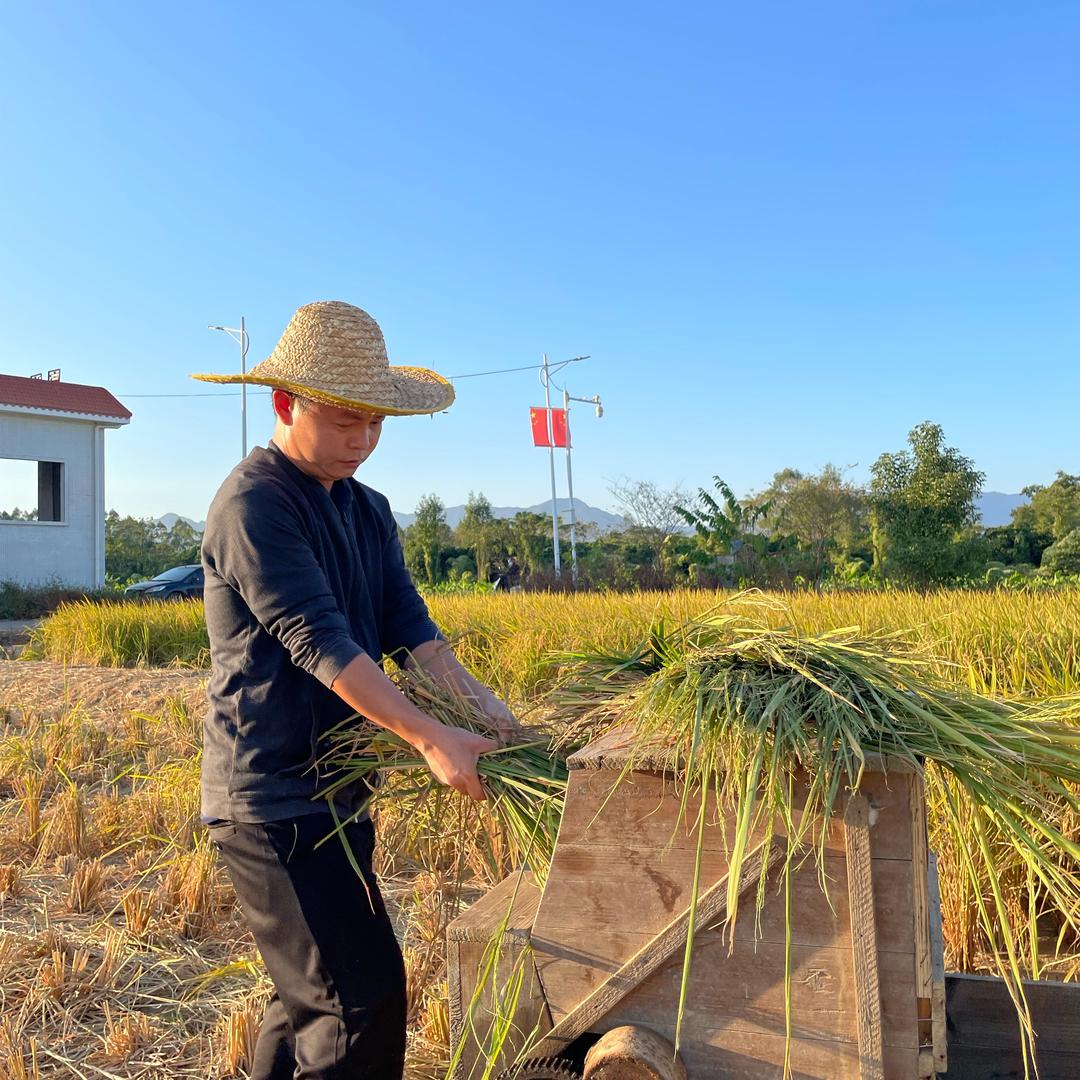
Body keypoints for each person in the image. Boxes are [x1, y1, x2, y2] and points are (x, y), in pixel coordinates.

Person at [191, 301, 515, 1080]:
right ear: (283, 404)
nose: (362, 440)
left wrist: (491, 715)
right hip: (271, 801)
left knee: (303, 998)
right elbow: (322, 643)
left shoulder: (367, 510)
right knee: (356, 1005)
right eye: (343, 421)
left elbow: (415, 637)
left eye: (374, 423)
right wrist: (431, 737)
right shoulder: (254, 504)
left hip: (336, 791)